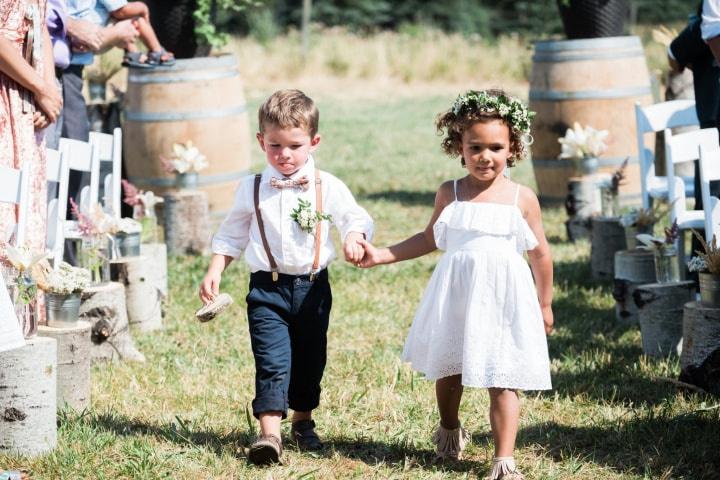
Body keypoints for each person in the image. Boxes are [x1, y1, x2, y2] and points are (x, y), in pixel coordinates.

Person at [358, 90, 553, 480]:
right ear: (458, 147)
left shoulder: (522, 198)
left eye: (495, 147)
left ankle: (503, 459)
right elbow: (429, 238)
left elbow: (541, 254)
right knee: (451, 368)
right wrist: (382, 254)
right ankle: (449, 428)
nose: (485, 156)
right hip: (459, 295)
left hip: (504, 299)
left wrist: (544, 303)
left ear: (512, 147)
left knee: (503, 376)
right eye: (475, 146)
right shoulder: (452, 192)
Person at [199, 89, 373, 465]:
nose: (285, 155)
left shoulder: (328, 185)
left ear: (314, 142)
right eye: (274, 146)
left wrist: (356, 237)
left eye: (294, 145)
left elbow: (353, 217)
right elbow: (231, 234)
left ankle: (303, 420)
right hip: (266, 289)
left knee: (311, 360)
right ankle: (269, 436)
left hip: (313, 289)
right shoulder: (252, 188)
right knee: (272, 360)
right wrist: (216, 268)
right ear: (261, 141)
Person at [1, 0, 63, 324]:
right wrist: (39, 86)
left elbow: (41, 26)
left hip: (26, 92)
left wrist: (49, 89)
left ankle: (21, 318)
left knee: (26, 211)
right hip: (6, 92)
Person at [90, 1, 175, 67]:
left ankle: (133, 53)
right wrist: (143, 7)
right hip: (97, 37)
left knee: (120, 17)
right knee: (137, 19)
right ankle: (157, 51)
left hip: (84, 39)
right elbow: (121, 11)